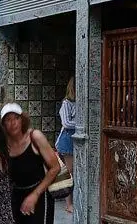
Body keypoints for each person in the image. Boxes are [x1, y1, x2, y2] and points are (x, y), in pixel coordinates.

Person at [1, 103, 60, 224]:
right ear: (3, 124)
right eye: (8, 120)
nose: (13, 123)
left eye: (16, 118)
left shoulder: (35, 137)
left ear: (22, 120)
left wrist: (35, 195)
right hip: (16, 196)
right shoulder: (4, 144)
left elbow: (55, 168)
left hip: (39, 194)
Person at [56, 77, 76, 213]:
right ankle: (68, 204)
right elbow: (66, 123)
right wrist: (82, 124)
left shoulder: (80, 103)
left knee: (75, 172)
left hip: (75, 138)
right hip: (68, 139)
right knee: (69, 172)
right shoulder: (66, 103)